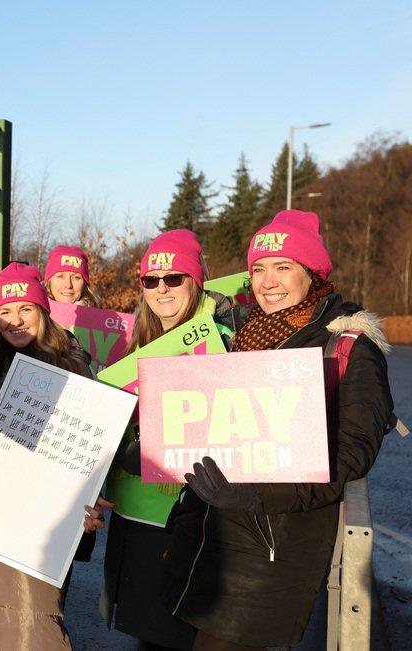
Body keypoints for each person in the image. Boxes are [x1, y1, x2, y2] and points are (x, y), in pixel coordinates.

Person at [162, 210, 394, 650]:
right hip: (211, 543)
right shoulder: (243, 336)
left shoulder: (346, 346)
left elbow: (351, 458)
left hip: (271, 550)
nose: (268, 281)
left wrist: (254, 496)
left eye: (283, 267)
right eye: (259, 269)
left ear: (312, 274)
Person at [0, 262, 98, 650]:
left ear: (42, 311)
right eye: (5, 312)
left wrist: (88, 501)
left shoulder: (73, 366)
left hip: (37, 525)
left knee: (33, 623)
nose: (15, 320)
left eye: (25, 308)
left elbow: (93, 445)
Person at [101, 229, 228, 650]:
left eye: (174, 278)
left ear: (196, 281)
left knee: (176, 637)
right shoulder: (134, 343)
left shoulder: (223, 337)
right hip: (133, 514)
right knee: (147, 636)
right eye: (151, 280)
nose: (162, 289)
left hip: (187, 517)